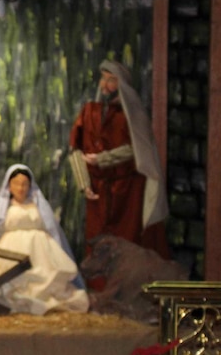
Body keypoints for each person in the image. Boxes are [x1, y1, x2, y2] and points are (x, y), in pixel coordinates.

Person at [0, 164, 89, 316]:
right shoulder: (2, 208)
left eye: (25, 184)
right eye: (16, 183)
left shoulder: (39, 207)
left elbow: (52, 228)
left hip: (41, 252)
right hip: (12, 248)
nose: (20, 188)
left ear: (30, 185)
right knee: (12, 281)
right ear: (9, 186)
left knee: (47, 278)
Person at [68, 60, 169, 259]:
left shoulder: (133, 115)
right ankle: (98, 288)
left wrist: (103, 159)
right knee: (97, 243)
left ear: (121, 85)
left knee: (126, 244)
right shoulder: (89, 111)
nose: (105, 85)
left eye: (112, 80)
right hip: (97, 191)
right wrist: (83, 183)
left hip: (127, 192)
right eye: (103, 78)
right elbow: (75, 148)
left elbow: (137, 150)